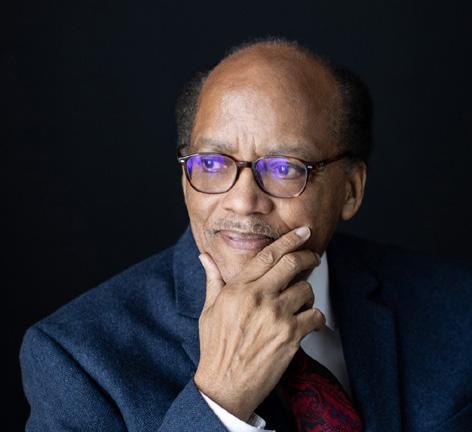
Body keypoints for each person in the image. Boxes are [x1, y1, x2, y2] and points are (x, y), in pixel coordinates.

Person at [20, 38, 471, 432]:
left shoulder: (457, 306)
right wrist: (219, 401)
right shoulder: (77, 359)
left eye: (285, 168)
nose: (242, 201)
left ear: (351, 190)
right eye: (212, 163)